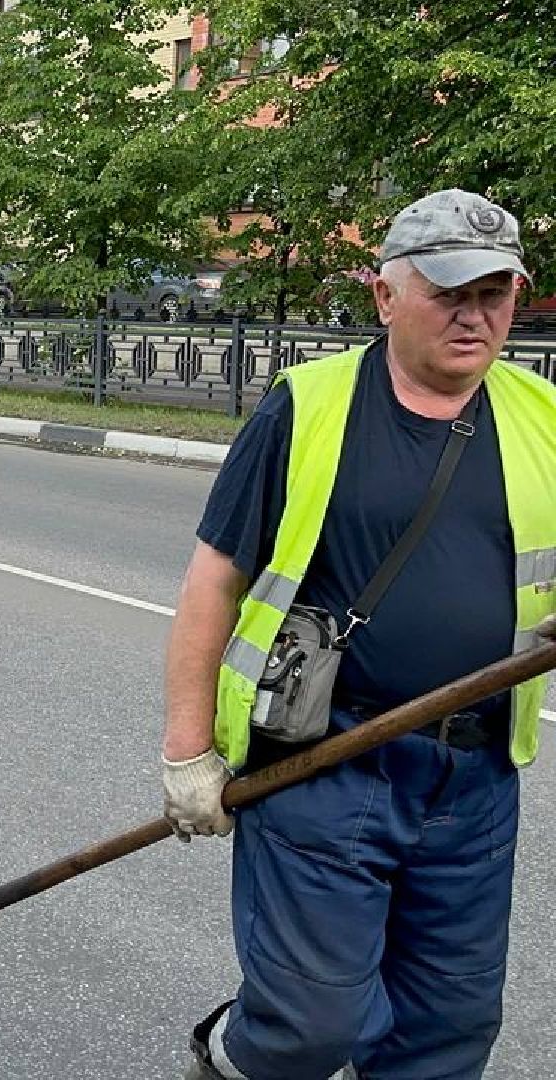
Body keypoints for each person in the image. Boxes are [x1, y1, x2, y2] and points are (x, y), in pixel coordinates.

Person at [162, 188, 556, 1079]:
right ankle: (237, 1054)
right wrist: (189, 753)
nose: (475, 315)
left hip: (473, 775)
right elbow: (213, 582)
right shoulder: (307, 405)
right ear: (385, 296)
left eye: (495, 293)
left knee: (449, 1026)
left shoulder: (543, 417)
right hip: (325, 762)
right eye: (450, 291)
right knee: (313, 1024)